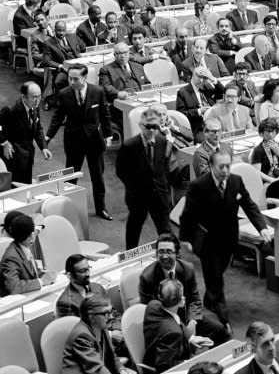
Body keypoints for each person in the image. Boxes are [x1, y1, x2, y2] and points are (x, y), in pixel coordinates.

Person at [180, 151, 272, 324]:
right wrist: (185, 239)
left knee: (217, 273)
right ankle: (223, 321)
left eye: (228, 166)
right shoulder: (198, 185)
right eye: (221, 166)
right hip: (207, 241)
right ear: (211, 166)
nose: (225, 170)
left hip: (229, 239)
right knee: (216, 278)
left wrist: (262, 227)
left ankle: (209, 299)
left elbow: (249, 205)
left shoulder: (236, 181)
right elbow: (187, 215)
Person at [45, 64, 113, 220]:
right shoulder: (64, 94)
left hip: (94, 140)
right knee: (71, 177)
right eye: (70, 78)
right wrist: (48, 137)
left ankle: (101, 208)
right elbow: (57, 117)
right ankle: (69, 209)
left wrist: (108, 135)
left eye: (75, 79)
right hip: (73, 140)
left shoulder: (97, 91)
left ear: (85, 78)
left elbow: (105, 114)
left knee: (98, 177)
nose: (71, 82)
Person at [117, 106, 184, 248]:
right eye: (149, 127)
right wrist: (133, 187)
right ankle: (130, 257)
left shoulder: (162, 141)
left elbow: (163, 166)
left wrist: (163, 184)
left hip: (159, 193)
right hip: (138, 195)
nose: (152, 130)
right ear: (141, 125)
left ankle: (174, 256)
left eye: (155, 127)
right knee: (134, 228)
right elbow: (121, 171)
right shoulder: (129, 146)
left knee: (165, 229)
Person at [60, 295, 134, 374]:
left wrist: (121, 369)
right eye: (106, 313)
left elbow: (112, 354)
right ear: (91, 317)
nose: (111, 316)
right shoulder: (81, 335)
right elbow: (96, 368)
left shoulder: (102, 327)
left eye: (111, 311)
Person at [142, 278, 213, 373]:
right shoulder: (173, 333)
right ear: (181, 302)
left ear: (160, 296)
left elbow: (176, 320)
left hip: (151, 354)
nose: (184, 297)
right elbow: (163, 366)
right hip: (163, 372)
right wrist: (190, 363)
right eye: (182, 296)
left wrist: (191, 337)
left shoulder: (153, 305)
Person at [0, 81, 52, 184]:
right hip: (13, 158)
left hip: (27, 156)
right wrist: (4, 143)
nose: (37, 101)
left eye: (39, 96)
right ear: (24, 97)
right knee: (15, 188)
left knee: (26, 186)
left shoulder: (34, 107)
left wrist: (43, 147)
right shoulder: (10, 110)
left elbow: (37, 128)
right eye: (34, 97)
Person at [0, 213, 56, 296]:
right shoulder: (11, 257)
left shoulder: (24, 247)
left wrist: (45, 274)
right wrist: (41, 281)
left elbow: (32, 272)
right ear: (32, 236)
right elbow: (14, 287)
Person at [55, 254, 110, 318]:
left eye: (88, 269)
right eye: (82, 271)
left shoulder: (98, 288)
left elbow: (113, 314)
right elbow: (74, 327)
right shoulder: (65, 303)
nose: (87, 274)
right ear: (69, 275)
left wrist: (117, 328)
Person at [40, 20, 86, 93]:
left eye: (63, 30)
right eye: (59, 30)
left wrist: (79, 53)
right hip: (63, 69)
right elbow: (46, 61)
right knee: (59, 81)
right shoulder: (48, 43)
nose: (61, 33)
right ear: (54, 30)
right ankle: (61, 99)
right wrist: (61, 66)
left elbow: (83, 47)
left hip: (78, 65)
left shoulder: (73, 36)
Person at [177, 67, 226, 134]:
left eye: (204, 78)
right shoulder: (183, 92)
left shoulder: (207, 88)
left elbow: (223, 91)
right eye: (199, 77)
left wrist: (212, 78)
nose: (201, 80)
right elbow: (181, 114)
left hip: (215, 123)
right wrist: (199, 111)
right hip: (199, 127)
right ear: (193, 75)